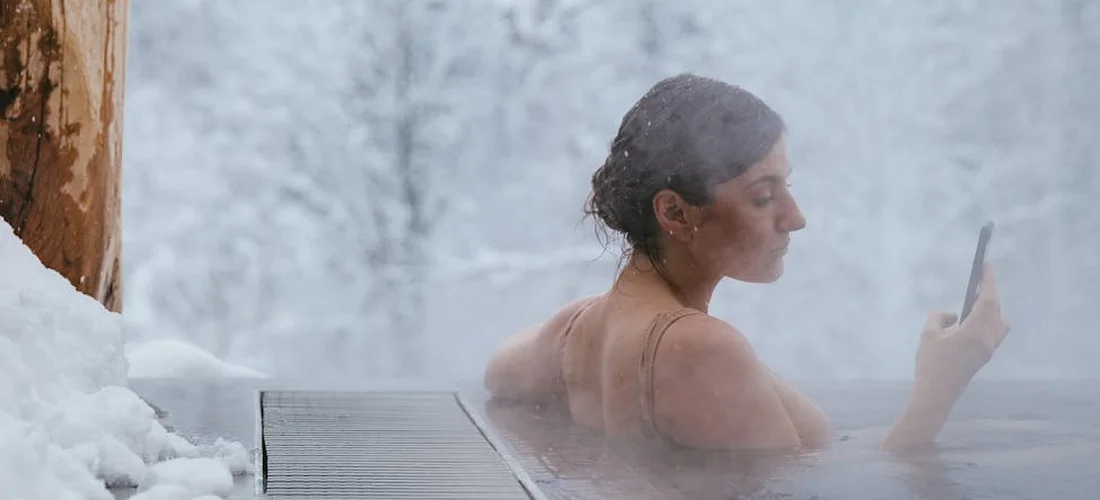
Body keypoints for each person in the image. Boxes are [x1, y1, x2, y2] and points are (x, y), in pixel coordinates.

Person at [482, 73, 1010, 453]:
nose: (795, 218)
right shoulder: (697, 348)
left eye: (787, 187)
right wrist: (941, 386)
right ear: (675, 213)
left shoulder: (576, 327)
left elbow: (497, 374)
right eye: (763, 196)